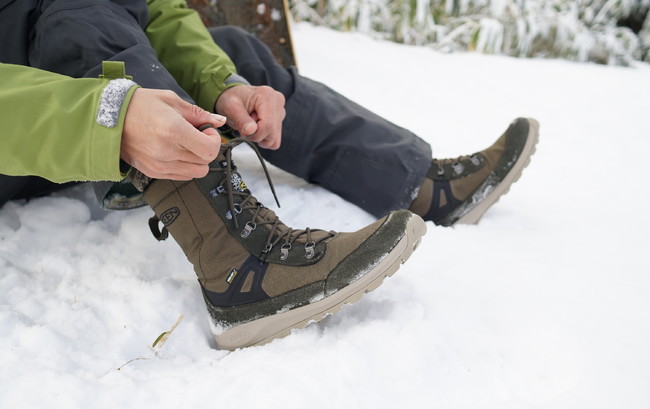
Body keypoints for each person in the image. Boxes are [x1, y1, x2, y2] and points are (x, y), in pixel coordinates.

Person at [0, 0, 539, 350]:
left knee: (228, 49)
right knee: (77, 11)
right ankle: (241, 269)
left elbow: (155, 12)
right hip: (20, 142)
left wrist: (223, 83)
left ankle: (418, 185)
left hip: (60, 108)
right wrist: (104, 121)